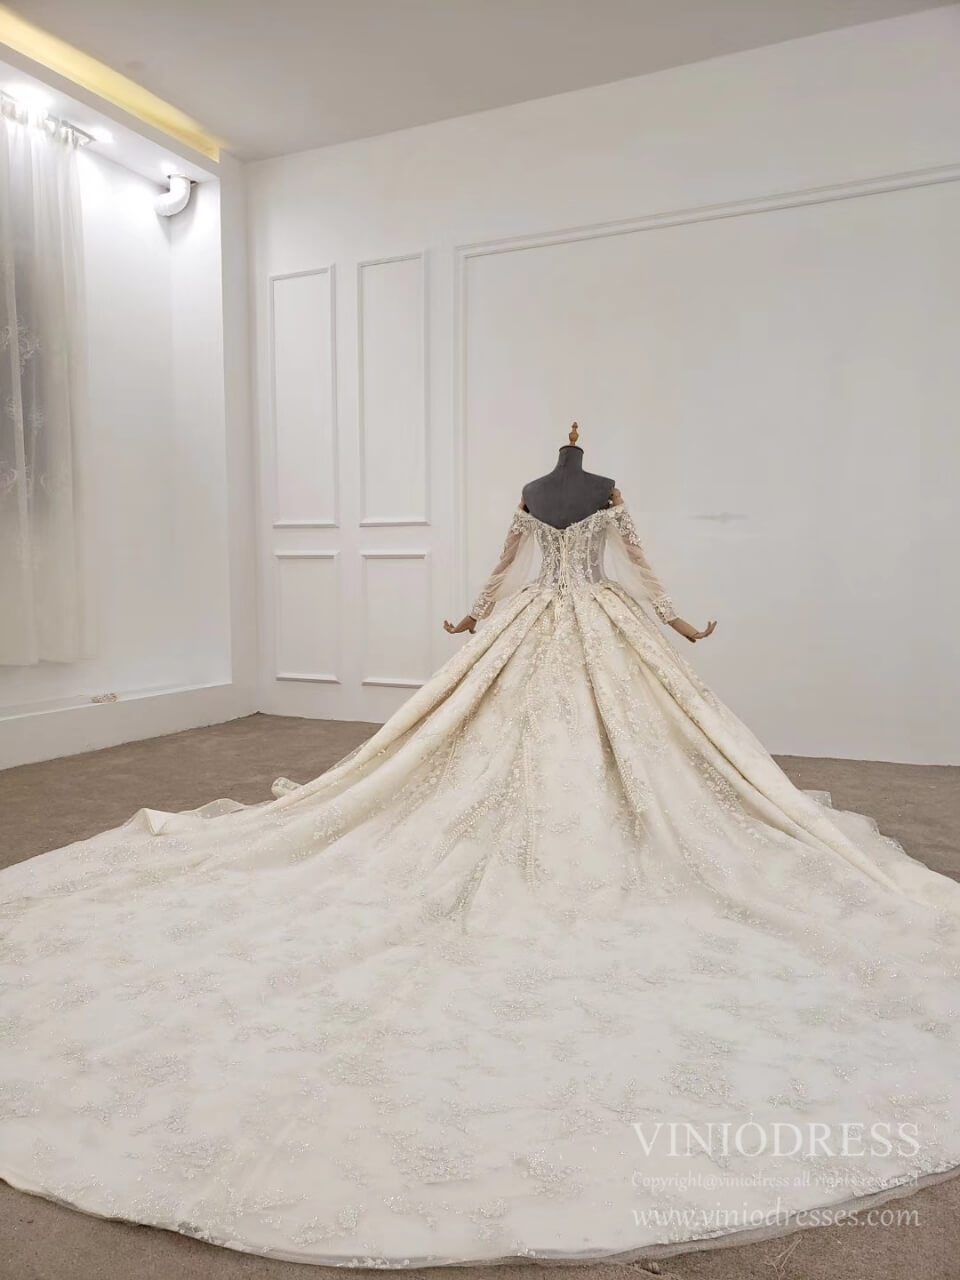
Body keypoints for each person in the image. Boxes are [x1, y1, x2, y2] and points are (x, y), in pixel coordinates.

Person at [2, 427, 959, 1268]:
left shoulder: (541, 491)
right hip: (586, 619)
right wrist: (670, 619)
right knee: (494, 741)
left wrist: (483, 615)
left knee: (616, 743)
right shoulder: (594, 490)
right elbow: (635, 564)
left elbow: (508, 569)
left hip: (541, 619)